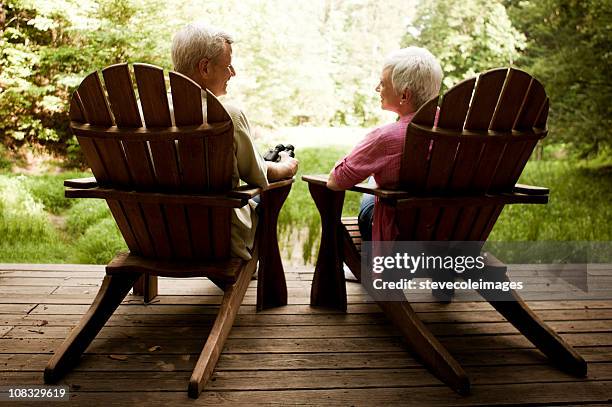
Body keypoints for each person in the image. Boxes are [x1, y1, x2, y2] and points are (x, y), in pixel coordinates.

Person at [171, 22, 298, 260]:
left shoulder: (143, 113)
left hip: (158, 236)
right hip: (217, 240)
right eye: (228, 66)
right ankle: (268, 282)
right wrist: (285, 166)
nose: (233, 73)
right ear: (205, 67)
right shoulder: (226, 115)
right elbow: (257, 175)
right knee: (277, 187)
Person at [327, 47, 442, 243]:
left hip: (399, 234)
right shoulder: (456, 130)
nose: (377, 89)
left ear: (404, 95)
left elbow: (336, 181)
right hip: (449, 231)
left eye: (382, 83)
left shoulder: (386, 138)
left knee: (374, 184)